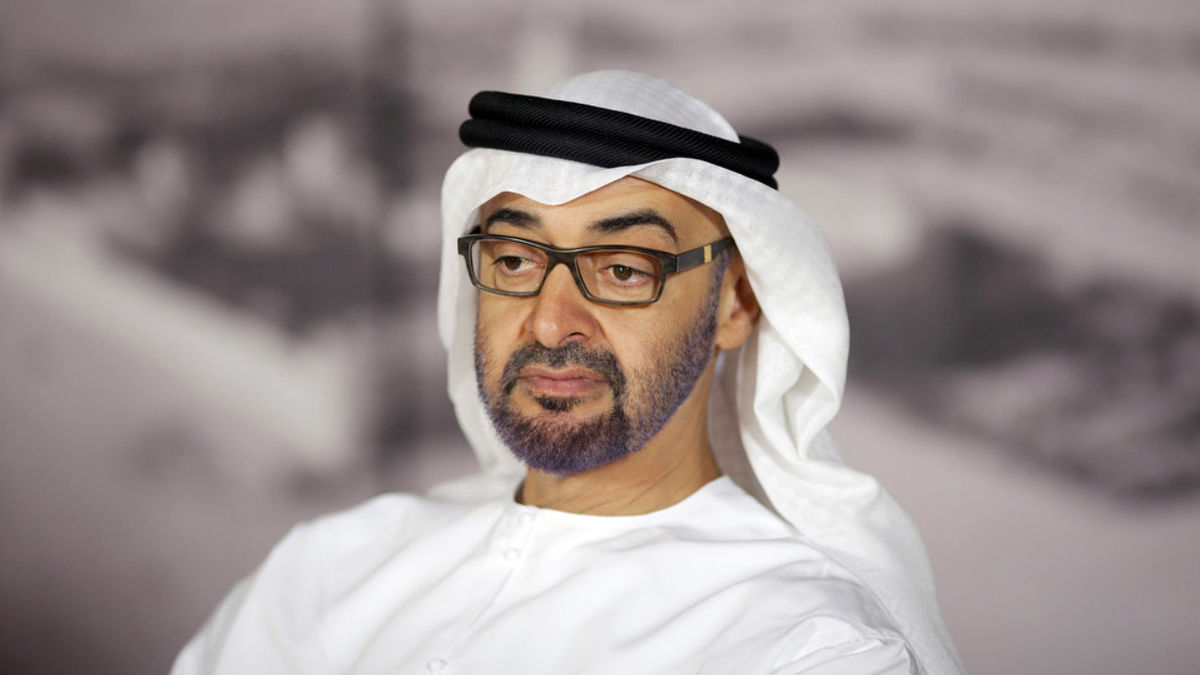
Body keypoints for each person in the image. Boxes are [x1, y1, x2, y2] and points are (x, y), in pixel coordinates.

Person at [172, 70, 962, 674]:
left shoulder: (803, 647)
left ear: (736, 303)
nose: (551, 323)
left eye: (622, 269)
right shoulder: (334, 567)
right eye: (515, 259)